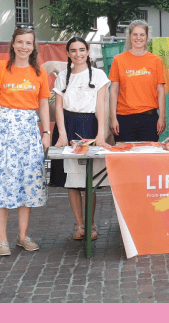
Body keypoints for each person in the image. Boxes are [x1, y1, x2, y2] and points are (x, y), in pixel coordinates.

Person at [0, 27, 51, 256]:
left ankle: (22, 236)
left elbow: (43, 104)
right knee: (0, 182)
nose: (23, 47)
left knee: (27, 182)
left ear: (33, 46)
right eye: (19, 42)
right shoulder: (0, 67)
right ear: (12, 44)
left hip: (29, 132)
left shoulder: (40, 73)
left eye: (28, 43)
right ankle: (1, 239)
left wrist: (47, 132)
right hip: (2, 129)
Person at [50, 37, 111, 241]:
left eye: (82, 50)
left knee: (88, 181)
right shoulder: (62, 76)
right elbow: (58, 106)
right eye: (73, 50)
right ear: (68, 53)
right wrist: (62, 134)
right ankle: (79, 225)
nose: (78, 54)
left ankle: (91, 224)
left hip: (89, 127)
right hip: (67, 126)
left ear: (88, 51)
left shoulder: (99, 75)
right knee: (71, 180)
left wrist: (100, 134)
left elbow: (101, 106)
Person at [109, 20, 166, 142]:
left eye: (142, 35)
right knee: (125, 159)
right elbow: (113, 91)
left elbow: (160, 90)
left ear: (147, 37)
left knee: (147, 159)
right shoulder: (118, 60)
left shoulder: (155, 60)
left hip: (149, 119)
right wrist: (113, 118)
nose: (138, 38)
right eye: (135, 34)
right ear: (130, 37)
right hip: (124, 119)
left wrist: (162, 116)